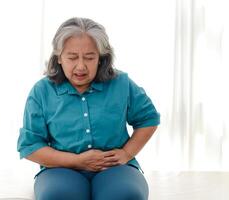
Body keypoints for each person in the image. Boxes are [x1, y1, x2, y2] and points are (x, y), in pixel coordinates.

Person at [17, 17, 160, 200]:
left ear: (101, 58)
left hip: (115, 169)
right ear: (59, 57)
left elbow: (148, 118)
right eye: (72, 57)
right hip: (60, 170)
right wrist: (78, 161)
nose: (81, 66)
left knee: (126, 195)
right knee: (58, 196)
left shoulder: (121, 83)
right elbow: (30, 145)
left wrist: (127, 153)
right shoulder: (41, 91)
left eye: (90, 57)